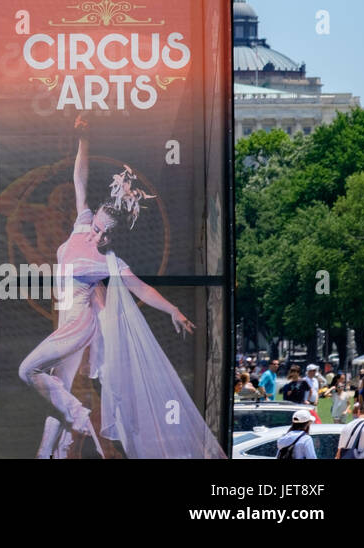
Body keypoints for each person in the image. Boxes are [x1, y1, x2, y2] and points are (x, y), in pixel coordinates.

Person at [18, 116, 221, 459]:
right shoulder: (83, 226)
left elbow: (142, 290)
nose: (97, 236)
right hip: (65, 319)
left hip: (78, 325)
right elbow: (79, 180)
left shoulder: (109, 261)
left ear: (116, 236)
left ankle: (79, 417)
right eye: (97, 228)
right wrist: (83, 139)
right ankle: (48, 452)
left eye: (105, 233)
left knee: (28, 370)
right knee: (57, 387)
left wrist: (173, 309)